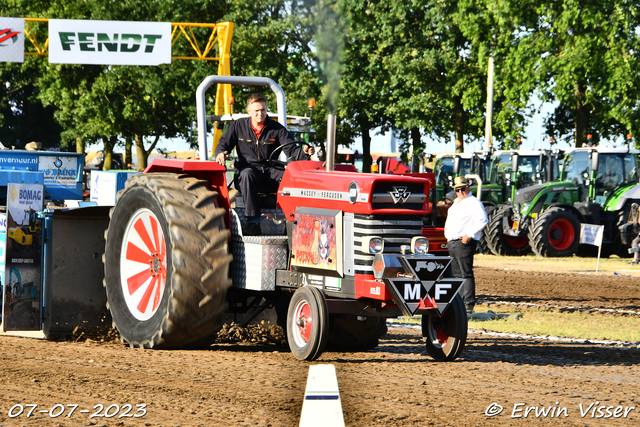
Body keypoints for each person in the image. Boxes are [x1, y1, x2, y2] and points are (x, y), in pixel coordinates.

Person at [214, 93, 314, 235]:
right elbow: (224, 144)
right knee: (247, 174)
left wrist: (304, 152)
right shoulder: (238, 126)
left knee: (290, 178)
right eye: (256, 111)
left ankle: (292, 221)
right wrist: (221, 152)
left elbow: (292, 150)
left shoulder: (277, 129)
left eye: (263, 110)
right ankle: (253, 223)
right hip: (247, 171)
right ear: (249, 110)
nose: (260, 114)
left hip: (270, 170)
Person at [444, 176, 489, 314]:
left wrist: (469, 235)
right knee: (456, 274)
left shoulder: (473, 202)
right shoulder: (456, 203)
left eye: (463, 189)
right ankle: (459, 302)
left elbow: (482, 220)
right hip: (453, 242)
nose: (460, 192)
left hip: (463, 242)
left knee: (465, 273)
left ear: (468, 188)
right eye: (457, 190)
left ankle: (468, 304)